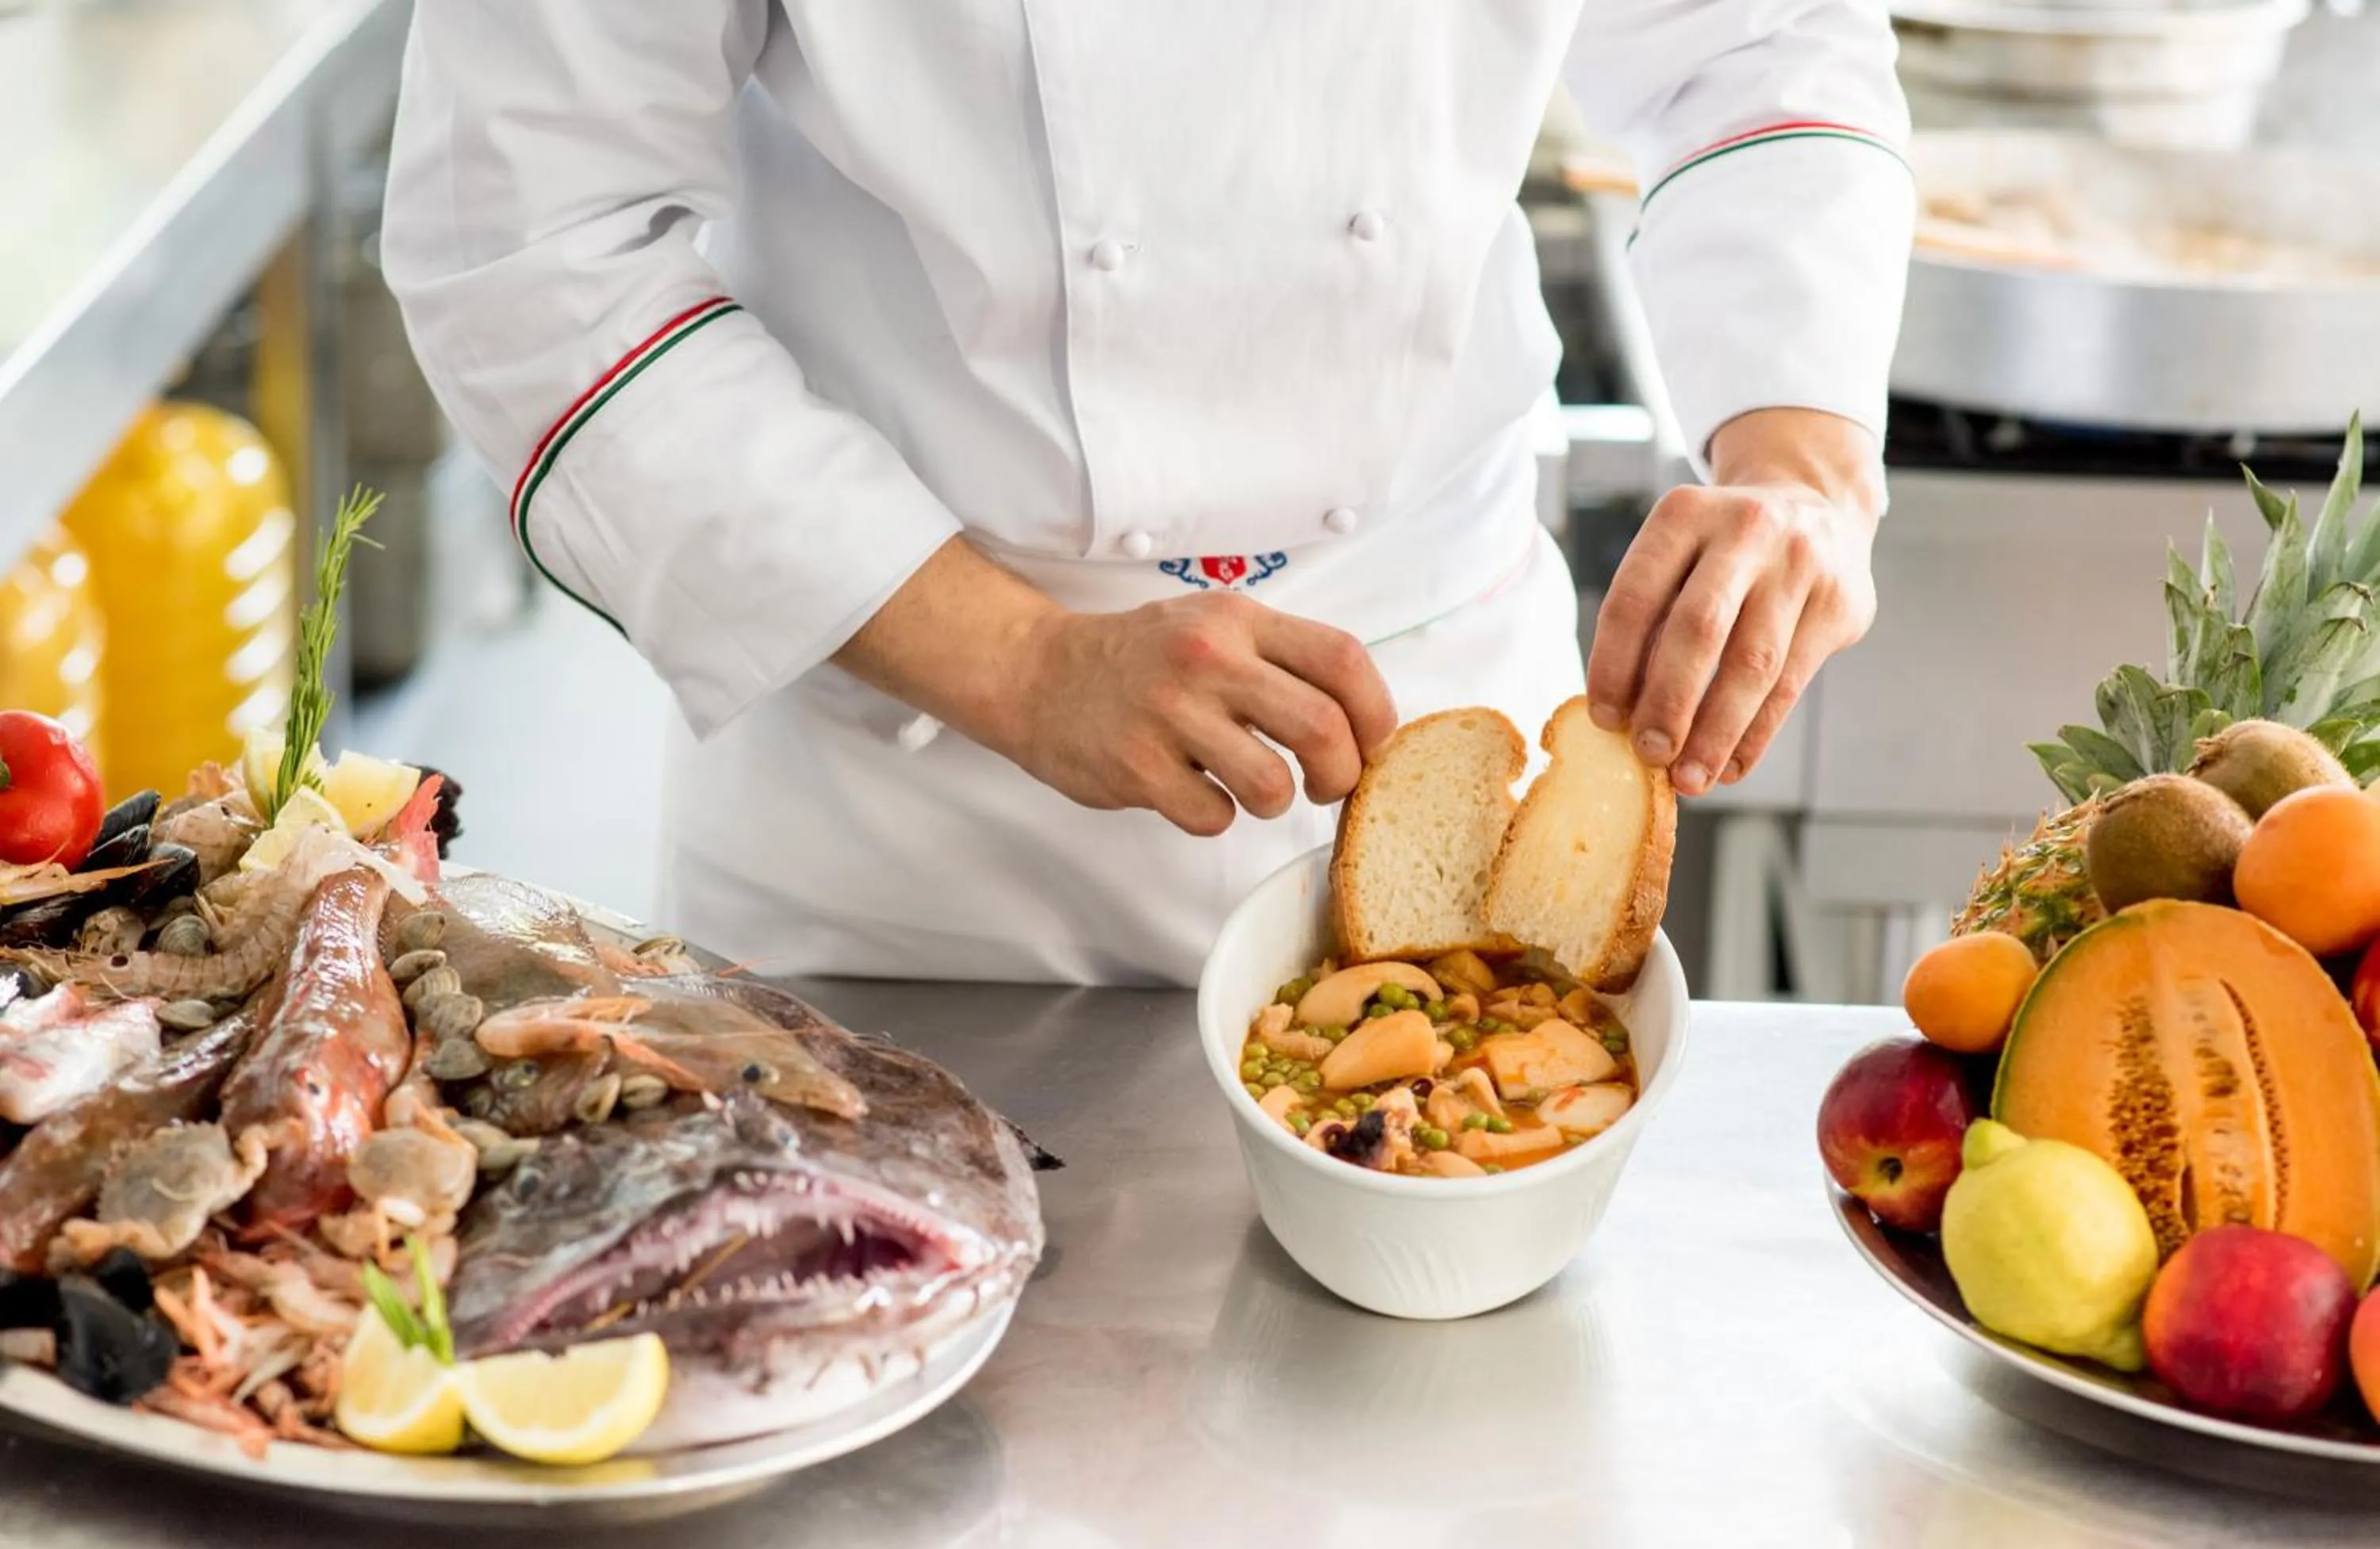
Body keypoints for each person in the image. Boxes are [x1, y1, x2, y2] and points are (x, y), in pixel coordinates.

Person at [382, 2, 1913, 985]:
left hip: (1439, 730)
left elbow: (1759, 44)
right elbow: (529, 243)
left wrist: (1805, 466)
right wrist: (1017, 660)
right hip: (913, 823)